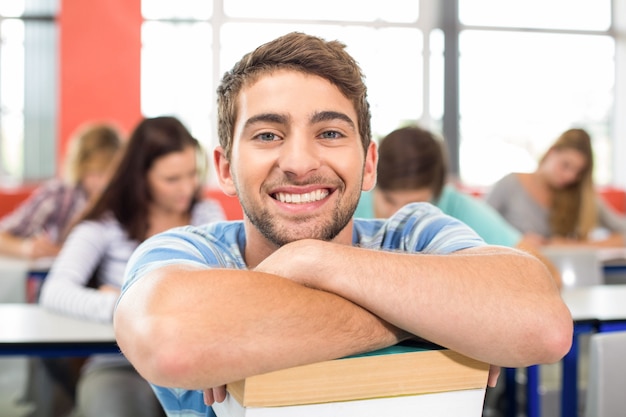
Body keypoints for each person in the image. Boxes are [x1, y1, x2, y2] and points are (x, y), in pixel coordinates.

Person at [113, 32, 573, 416]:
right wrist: (439, 318)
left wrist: (311, 261)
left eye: (330, 133)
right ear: (226, 168)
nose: (298, 162)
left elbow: (543, 325)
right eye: (268, 135)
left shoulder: (413, 232)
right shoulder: (186, 254)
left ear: (369, 164)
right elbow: (174, 343)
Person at [39, 116, 226, 417]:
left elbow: (225, 291)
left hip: (196, 360)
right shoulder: (104, 223)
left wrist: (147, 305)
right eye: (171, 179)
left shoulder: (206, 214)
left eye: (193, 175)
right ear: (141, 177)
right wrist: (127, 306)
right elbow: (55, 291)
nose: (187, 189)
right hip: (120, 364)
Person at [355, 125, 562, 288]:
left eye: (413, 205)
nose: (397, 215)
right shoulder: (351, 203)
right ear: (371, 180)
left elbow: (547, 275)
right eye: (389, 201)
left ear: (439, 194)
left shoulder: (457, 207)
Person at [486, 128, 626, 247]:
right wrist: (515, 241)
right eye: (565, 165)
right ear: (552, 152)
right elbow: (477, 228)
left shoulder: (581, 195)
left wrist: (572, 246)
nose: (570, 176)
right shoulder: (510, 184)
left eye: (578, 172)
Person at [0, 123, 123, 258]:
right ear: (80, 169)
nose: (103, 182)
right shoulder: (58, 195)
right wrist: (26, 248)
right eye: (96, 173)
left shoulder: (127, 198)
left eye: (109, 174)